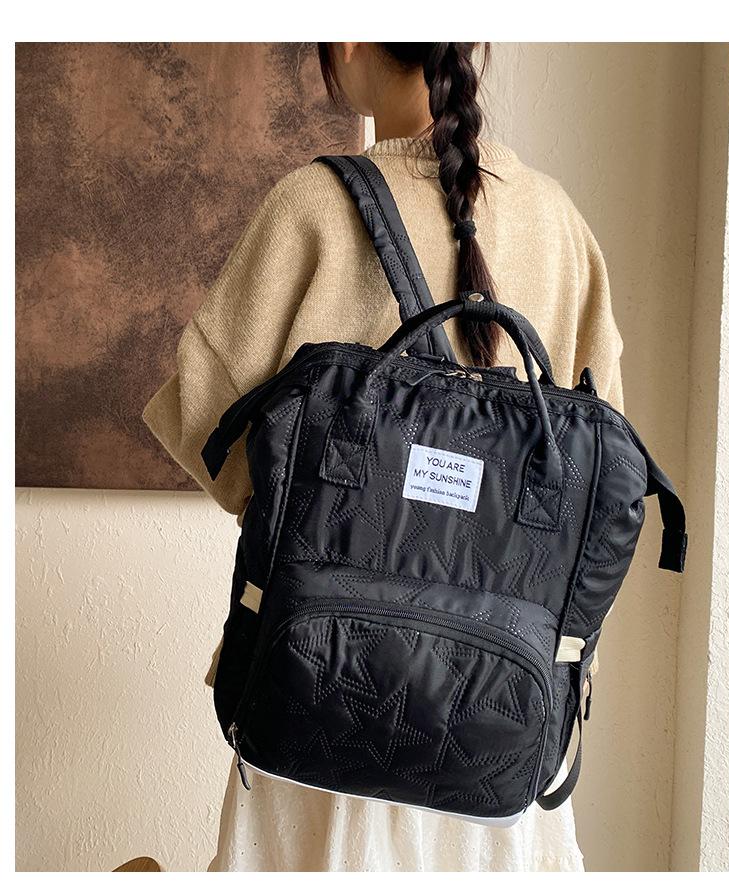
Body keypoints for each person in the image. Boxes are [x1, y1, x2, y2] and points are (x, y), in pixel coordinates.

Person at [142, 42, 623, 872]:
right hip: (502, 742)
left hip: (316, 708)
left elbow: (205, 423)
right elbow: (601, 493)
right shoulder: (559, 223)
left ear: (352, 39)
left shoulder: (310, 207)